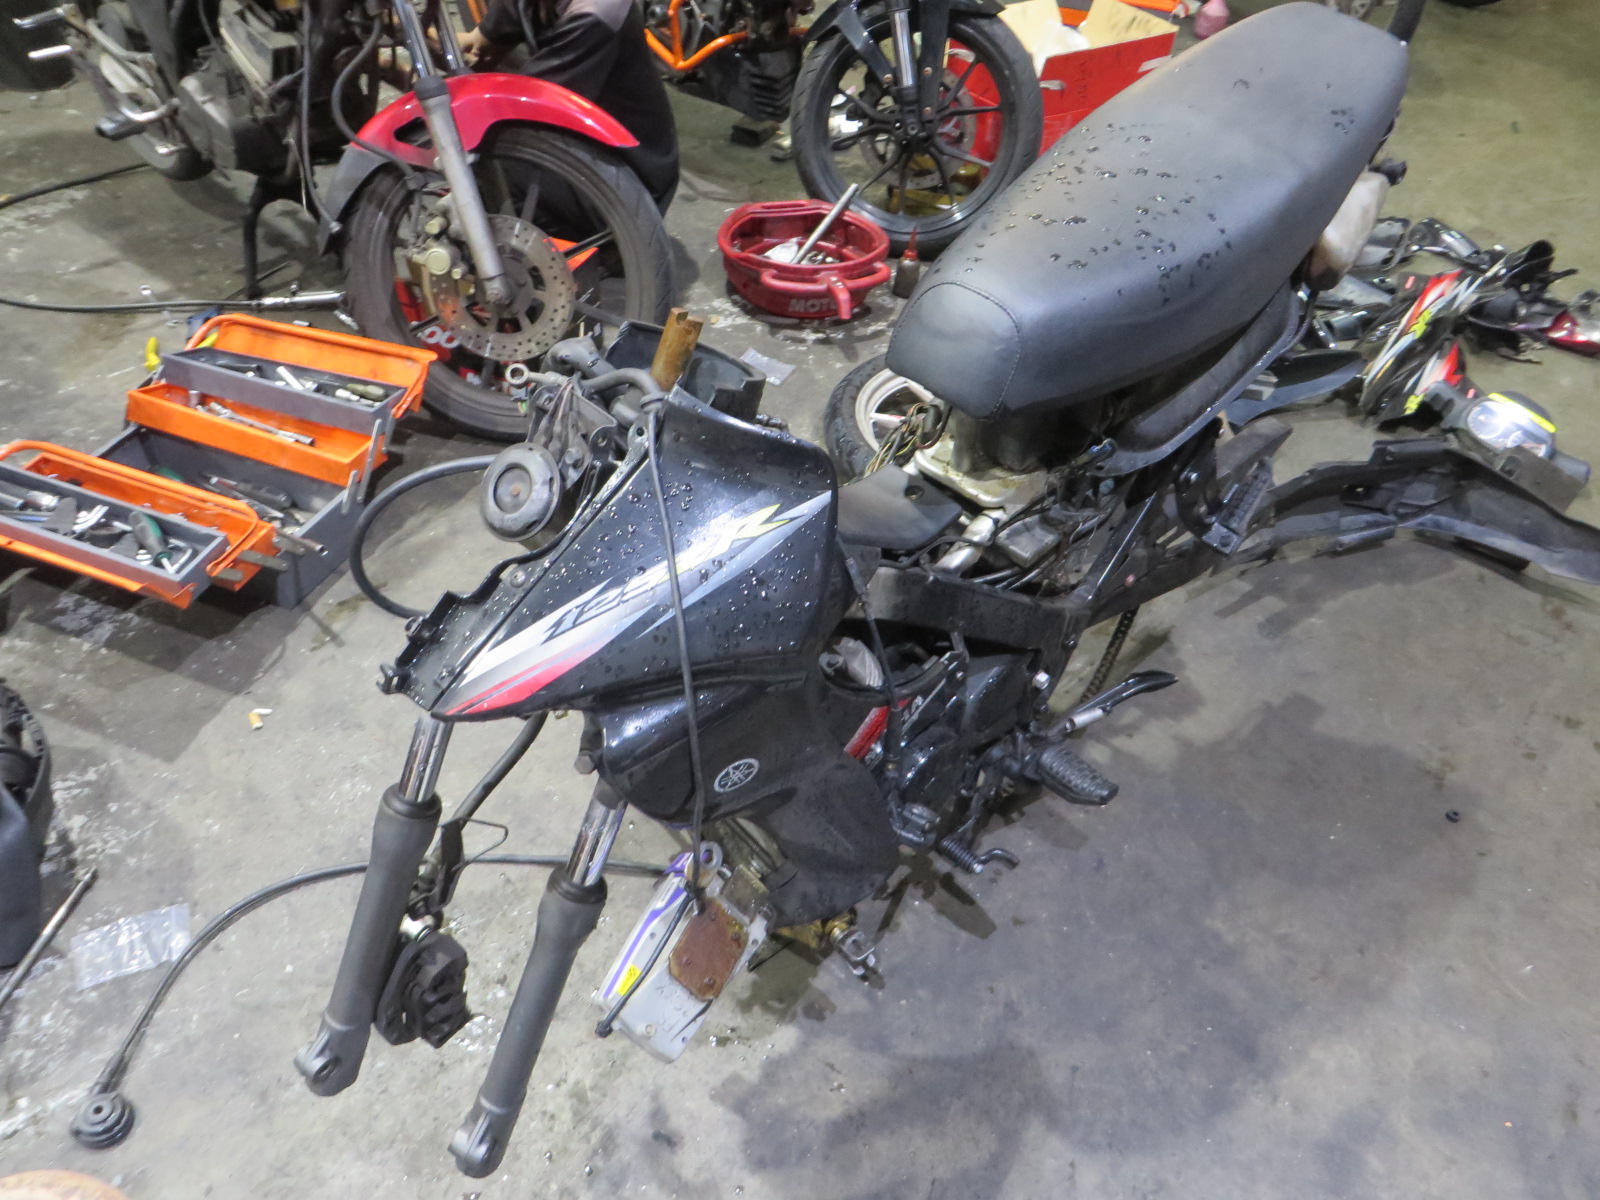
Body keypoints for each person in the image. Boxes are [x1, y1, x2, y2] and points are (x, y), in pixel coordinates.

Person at [460, 0, 679, 210]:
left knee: (477, 170)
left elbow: (527, 109)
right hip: (580, 148)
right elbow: (478, 48)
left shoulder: (595, 13)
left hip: (631, 174)